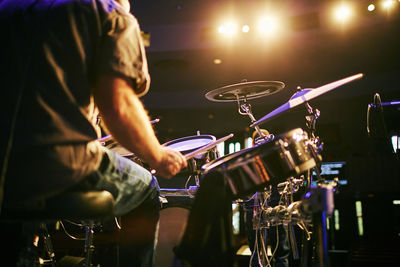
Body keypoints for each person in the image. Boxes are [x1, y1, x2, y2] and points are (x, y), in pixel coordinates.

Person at [0, 0, 186, 266]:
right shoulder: (110, 13)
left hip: (8, 172)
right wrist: (158, 156)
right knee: (146, 189)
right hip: (60, 165)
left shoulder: (9, 8)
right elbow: (118, 108)